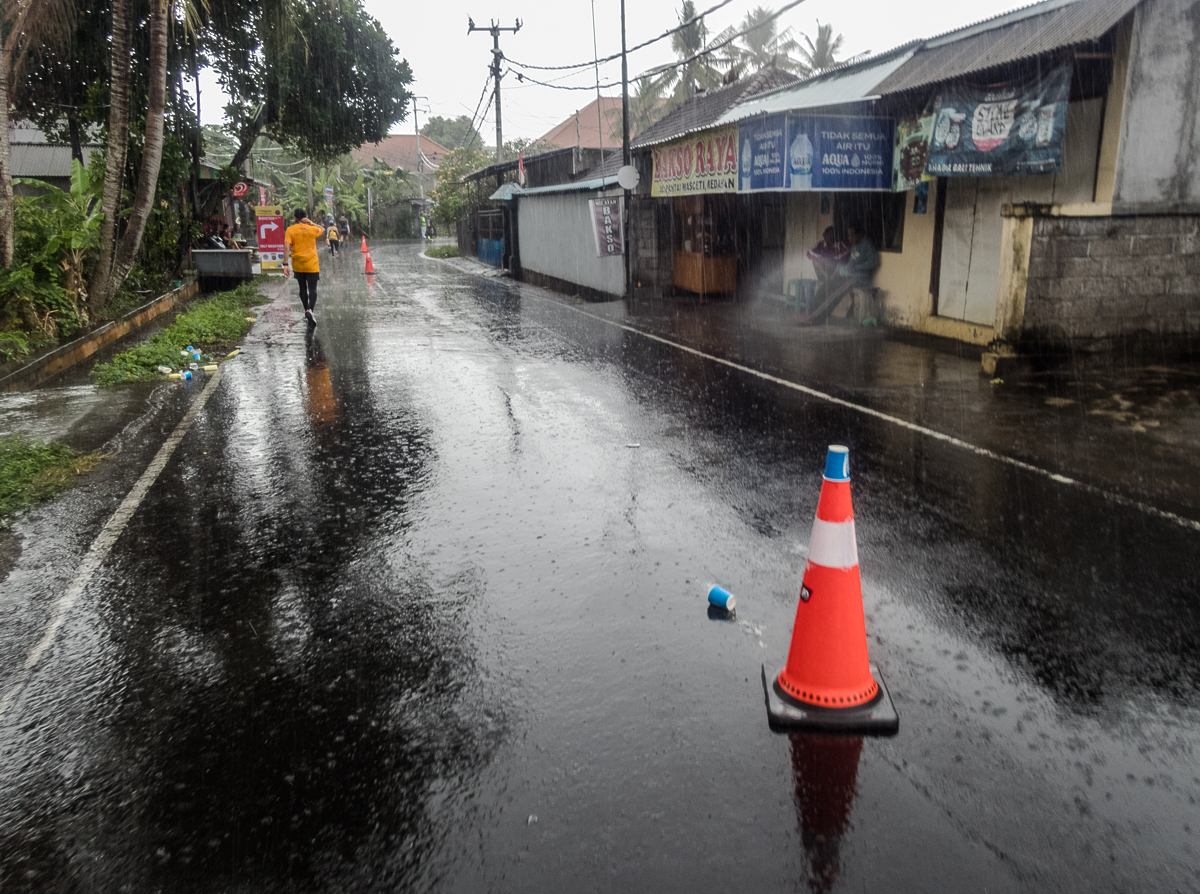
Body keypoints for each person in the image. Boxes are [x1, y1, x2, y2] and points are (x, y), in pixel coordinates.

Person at [283, 208, 325, 326]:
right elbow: (323, 229)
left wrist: (285, 264)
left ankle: (306, 309)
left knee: (302, 288)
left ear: (295, 218)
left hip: (298, 264)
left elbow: (286, 248)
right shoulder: (312, 229)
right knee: (312, 288)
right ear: (305, 217)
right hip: (312, 264)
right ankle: (310, 310)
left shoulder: (290, 230)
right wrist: (311, 222)